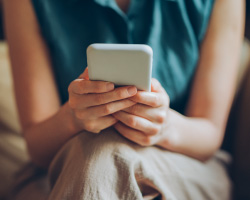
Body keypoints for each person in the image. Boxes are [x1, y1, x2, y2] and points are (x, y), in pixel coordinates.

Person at [3, 0, 245, 199]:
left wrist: (166, 127)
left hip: (181, 165)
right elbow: (38, 148)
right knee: (96, 157)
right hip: (59, 166)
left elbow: (208, 137)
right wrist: (73, 118)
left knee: (105, 160)